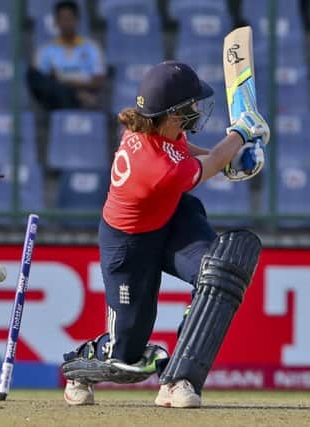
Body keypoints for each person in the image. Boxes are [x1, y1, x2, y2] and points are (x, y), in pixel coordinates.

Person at [61, 61, 269, 407]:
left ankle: (179, 380)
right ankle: (79, 367)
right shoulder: (153, 166)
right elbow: (207, 165)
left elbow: (190, 153)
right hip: (128, 248)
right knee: (126, 357)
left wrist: (231, 156)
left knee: (216, 274)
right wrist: (241, 135)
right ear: (172, 114)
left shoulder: (163, 131)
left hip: (172, 223)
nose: (197, 110)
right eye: (192, 105)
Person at [27, 0, 106, 110]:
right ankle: (76, 95)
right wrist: (73, 90)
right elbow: (40, 83)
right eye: (62, 19)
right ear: (56, 22)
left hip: (84, 101)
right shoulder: (45, 50)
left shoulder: (91, 48)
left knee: (57, 88)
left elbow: (98, 82)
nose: (66, 23)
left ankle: (74, 95)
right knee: (33, 75)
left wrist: (62, 81)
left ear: (77, 21)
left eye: (69, 19)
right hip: (56, 101)